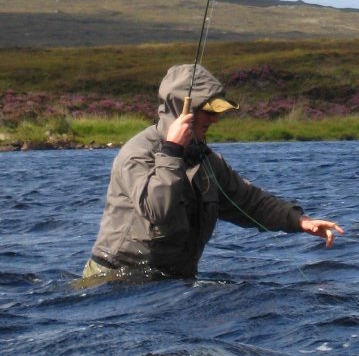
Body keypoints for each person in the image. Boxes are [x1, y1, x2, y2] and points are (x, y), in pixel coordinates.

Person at [81, 62, 343, 281]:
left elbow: (249, 201)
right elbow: (158, 209)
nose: (216, 120)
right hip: (114, 285)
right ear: (182, 110)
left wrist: (299, 221)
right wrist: (172, 151)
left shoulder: (205, 160)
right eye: (209, 111)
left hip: (171, 285)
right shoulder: (136, 154)